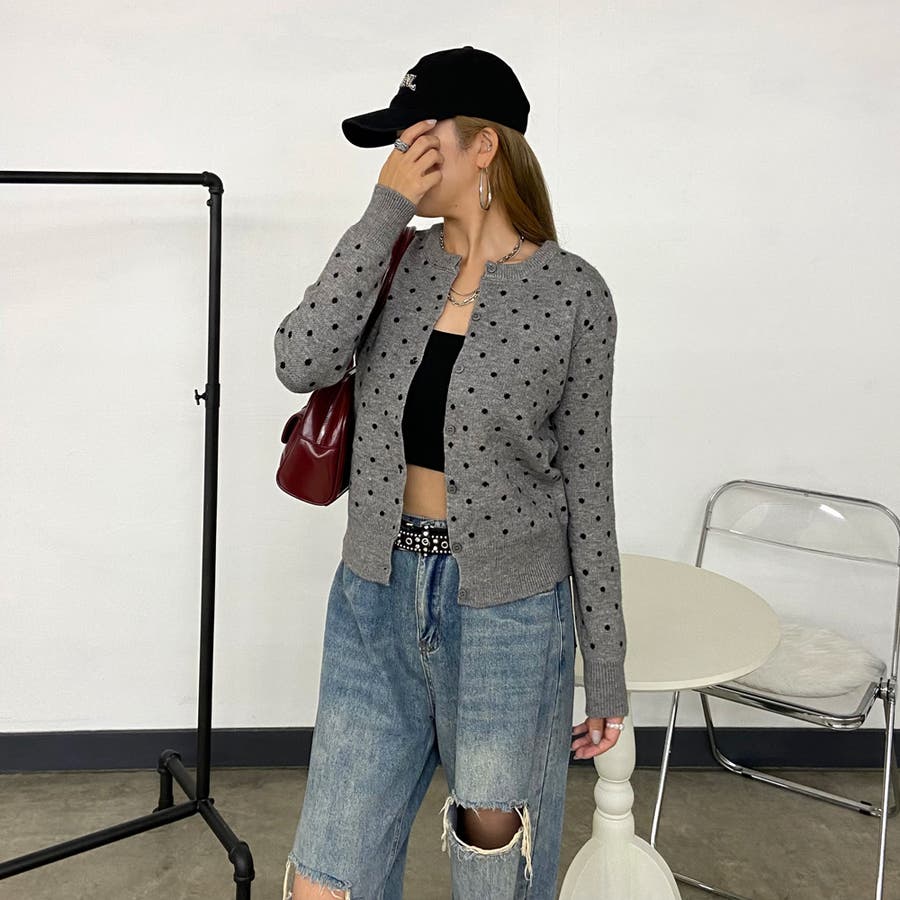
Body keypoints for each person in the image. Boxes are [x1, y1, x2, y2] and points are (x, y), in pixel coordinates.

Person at [275, 46, 627, 900]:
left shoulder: (574, 294)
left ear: (483, 146)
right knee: (326, 877)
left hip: (510, 619)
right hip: (373, 600)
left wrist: (606, 666)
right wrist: (382, 212)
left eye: (416, 138)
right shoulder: (391, 257)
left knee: (492, 870)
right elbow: (299, 360)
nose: (399, 156)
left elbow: (589, 488)